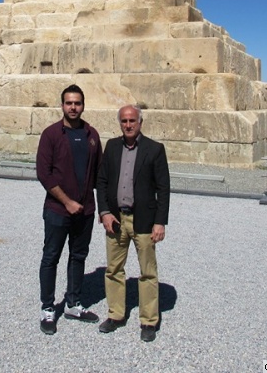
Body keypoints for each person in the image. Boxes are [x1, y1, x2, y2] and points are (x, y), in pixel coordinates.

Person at [96, 105, 170, 343]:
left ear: (140, 122)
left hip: (144, 220)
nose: (128, 125)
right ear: (120, 123)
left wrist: (160, 222)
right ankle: (115, 314)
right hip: (116, 218)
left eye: (132, 121)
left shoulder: (155, 149)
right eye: (124, 121)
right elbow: (103, 180)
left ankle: (149, 320)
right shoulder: (112, 146)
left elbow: (163, 189)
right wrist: (105, 211)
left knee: (148, 272)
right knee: (113, 269)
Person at [36, 84, 102, 335]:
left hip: (84, 210)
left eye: (77, 103)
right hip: (57, 209)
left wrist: (102, 208)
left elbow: (99, 174)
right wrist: (67, 201)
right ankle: (48, 307)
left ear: (83, 105)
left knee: (78, 256)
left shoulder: (92, 135)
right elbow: (44, 173)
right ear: (62, 105)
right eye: (69, 103)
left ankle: (73, 303)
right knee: (51, 256)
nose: (73, 107)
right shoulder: (51, 134)